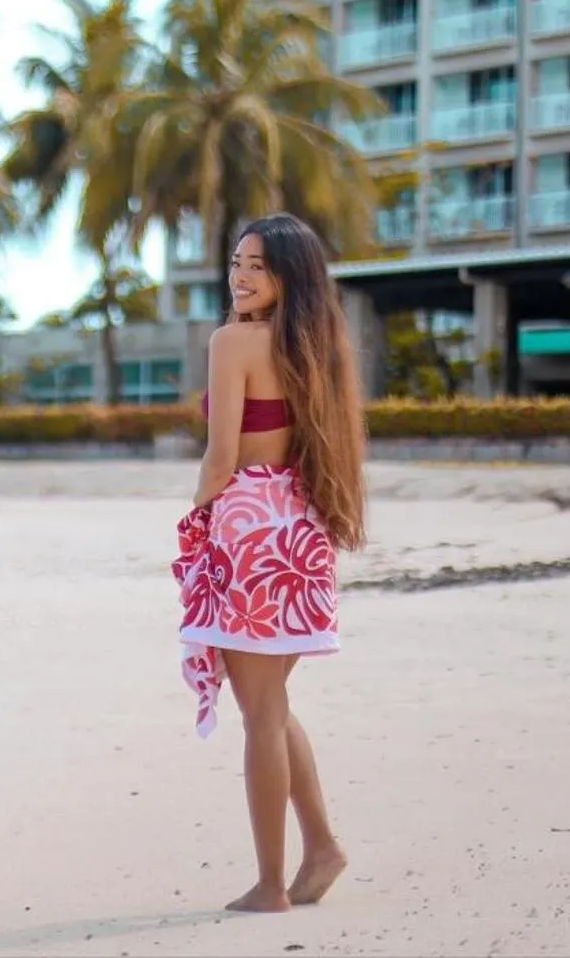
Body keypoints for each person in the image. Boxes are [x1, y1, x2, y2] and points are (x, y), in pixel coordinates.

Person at [171, 212, 368, 913]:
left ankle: (270, 883)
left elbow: (221, 458)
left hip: (251, 531)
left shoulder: (233, 342)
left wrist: (194, 522)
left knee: (260, 714)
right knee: (271, 705)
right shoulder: (320, 347)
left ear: (289, 275)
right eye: (236, 261)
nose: (241, 276)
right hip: (302, 531)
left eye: (258, 264)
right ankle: (321, 848)